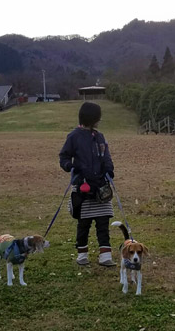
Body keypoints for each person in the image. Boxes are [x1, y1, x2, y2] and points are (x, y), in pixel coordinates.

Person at [59, 102, 116, 266]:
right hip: (82, 186)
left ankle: (105, 256)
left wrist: (109, 169)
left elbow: (106, 156)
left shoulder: (99, 137)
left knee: (103, 221)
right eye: (98, 117)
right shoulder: (73, 136)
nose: (100, 120)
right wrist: (70, 167)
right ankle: (82, 255)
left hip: (101, 186)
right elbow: (63, 157)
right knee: (83, 223)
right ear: (92, 118)